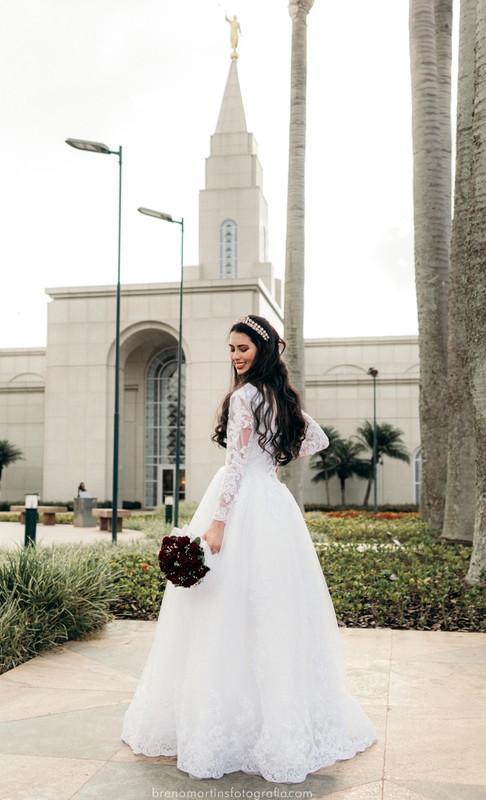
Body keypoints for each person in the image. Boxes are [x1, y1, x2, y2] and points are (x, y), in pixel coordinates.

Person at [121, 315, 376, 783]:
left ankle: (227, 723)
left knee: (226, 607)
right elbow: (314, 438)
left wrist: (217, 524)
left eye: (244, 348)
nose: (236, 356)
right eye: (232, 349)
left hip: (239, 504)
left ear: (262, 350)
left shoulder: (244, 397)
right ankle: (273, 720)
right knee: (269, 606)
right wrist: (274, 459)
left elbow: (235, 465)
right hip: (272, 505)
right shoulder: (278, 396)